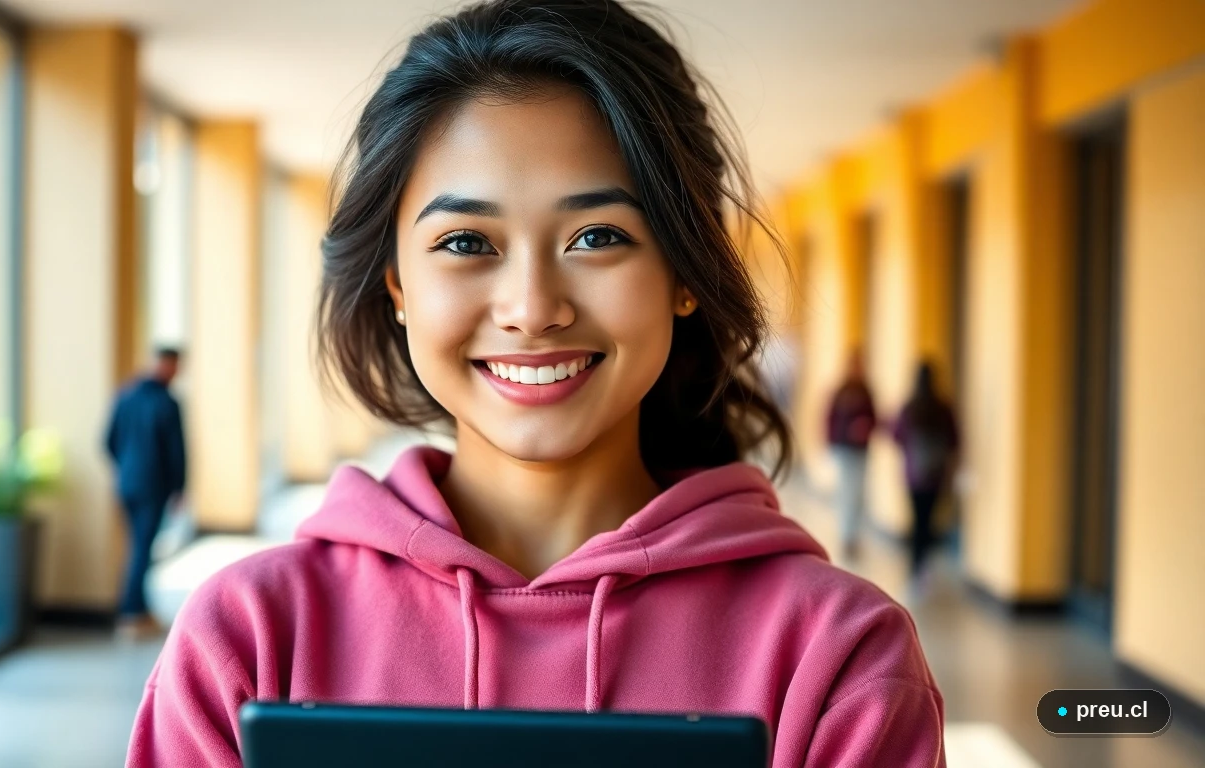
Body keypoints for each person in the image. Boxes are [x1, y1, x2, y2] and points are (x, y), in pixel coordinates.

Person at [127, 2, 944, 766]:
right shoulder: (249, 639)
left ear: (683, 272)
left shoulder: (838, 658)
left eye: (596, 235)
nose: (532, 308)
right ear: (397, 285)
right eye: (465, 243)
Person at [106, 347, 186, 640]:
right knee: (142, 548)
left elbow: (108, 440)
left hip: (126, 483)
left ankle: (137, 607)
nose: (177, 372)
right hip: (154, 486)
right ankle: (132, 612)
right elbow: (176, 451)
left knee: (137, 546)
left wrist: (126, 469)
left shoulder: (124, 396)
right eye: (175, 366)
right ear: (165, 364)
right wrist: (179, 486)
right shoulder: (167, 402)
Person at [892, 362, 959, 588]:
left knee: (916, 520)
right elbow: (954, 440)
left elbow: (896, 435)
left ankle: (915, 567)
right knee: (928, 521)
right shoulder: (943, 407)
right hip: (936, 475)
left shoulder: (910, 407)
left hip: (914, 475)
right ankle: (924, 565)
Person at [825, 349, 876, 558]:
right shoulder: (842, 390)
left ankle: (854, 535)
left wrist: (865, 427)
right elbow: (830, 418)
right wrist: (832, 441)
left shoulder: (866, 390)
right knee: (846, 492)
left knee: (859, 493)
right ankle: (846, 535)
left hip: (861, 449)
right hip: (844, 449)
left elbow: (874, 417)